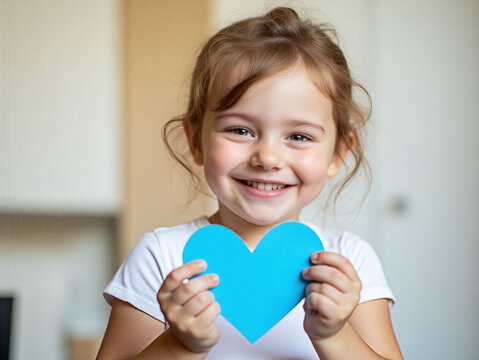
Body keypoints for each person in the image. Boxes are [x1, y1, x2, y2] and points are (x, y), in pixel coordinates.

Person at [97, 7, 403, 360]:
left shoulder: (350, 262)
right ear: (196, 141)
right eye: (240, 130)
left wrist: (335, 336)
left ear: (338, 153)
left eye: (299, 136)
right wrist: (178, 345)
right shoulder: (161, 257)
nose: (268, 158)